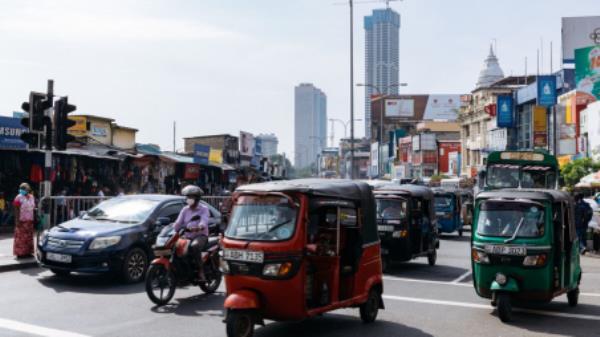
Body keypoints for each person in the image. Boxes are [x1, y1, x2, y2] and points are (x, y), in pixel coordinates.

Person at [173, 185, 210, 281]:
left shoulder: (204, 209)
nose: (189, 199)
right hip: (187, 236)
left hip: (200, 235)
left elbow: (204, 221)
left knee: (195, 246)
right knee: (175, 245)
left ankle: (201, 271)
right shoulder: (185, 209)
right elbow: (178, 222)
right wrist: (172, 228)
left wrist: (199, 227)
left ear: (197, 198)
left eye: (191, 197)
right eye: (188, 197)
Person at [12, 183, 36, 258]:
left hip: (30, 220)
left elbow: (33, 207)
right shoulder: (18, 197)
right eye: (21, 188)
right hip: (21, 220)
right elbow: (16, 209)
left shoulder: (32, 197)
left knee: (29, 237)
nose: (22, 190)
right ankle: (20, 254)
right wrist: (17, 220)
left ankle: (28, 252)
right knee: (20, 238)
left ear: (28, 189)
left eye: (23, 188)